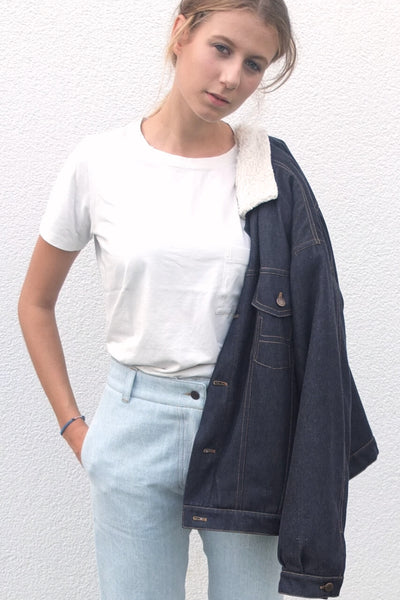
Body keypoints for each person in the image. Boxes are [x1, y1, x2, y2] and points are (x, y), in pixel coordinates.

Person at [18, 1, 378, 599]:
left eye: (255, 64)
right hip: (135, 424)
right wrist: (76, 429)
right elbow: (34, 303)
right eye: (222, 48)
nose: (233, 77)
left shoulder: (268, 173)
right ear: (181, 32)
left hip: (250, 426)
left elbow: (315, 322)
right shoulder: (99, 163)